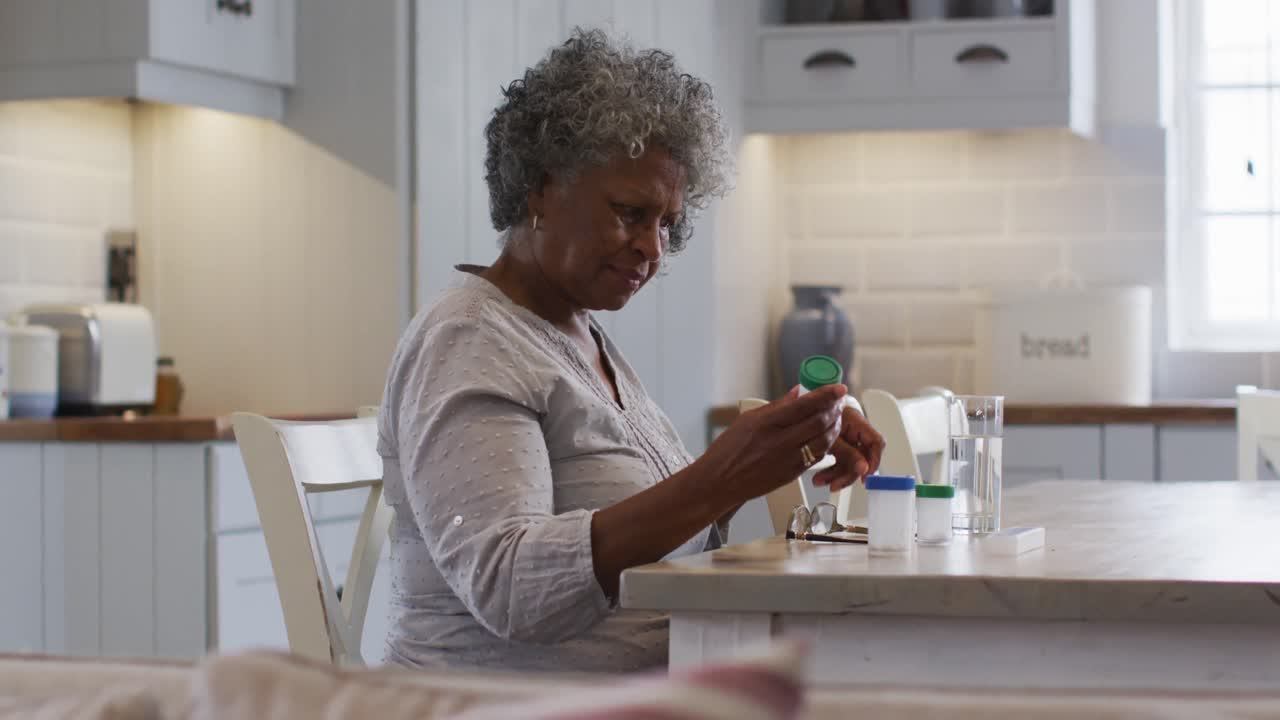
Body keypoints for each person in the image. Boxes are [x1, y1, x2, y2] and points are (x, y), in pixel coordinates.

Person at [377, 28, 884, 673]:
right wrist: (721, 475)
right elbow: (509, 587)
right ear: (539, 187)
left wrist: (775, 452)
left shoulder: (575, 335)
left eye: (667, 222)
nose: (653, 247)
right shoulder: (469, 339)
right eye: (629, 212)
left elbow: (652, 535)